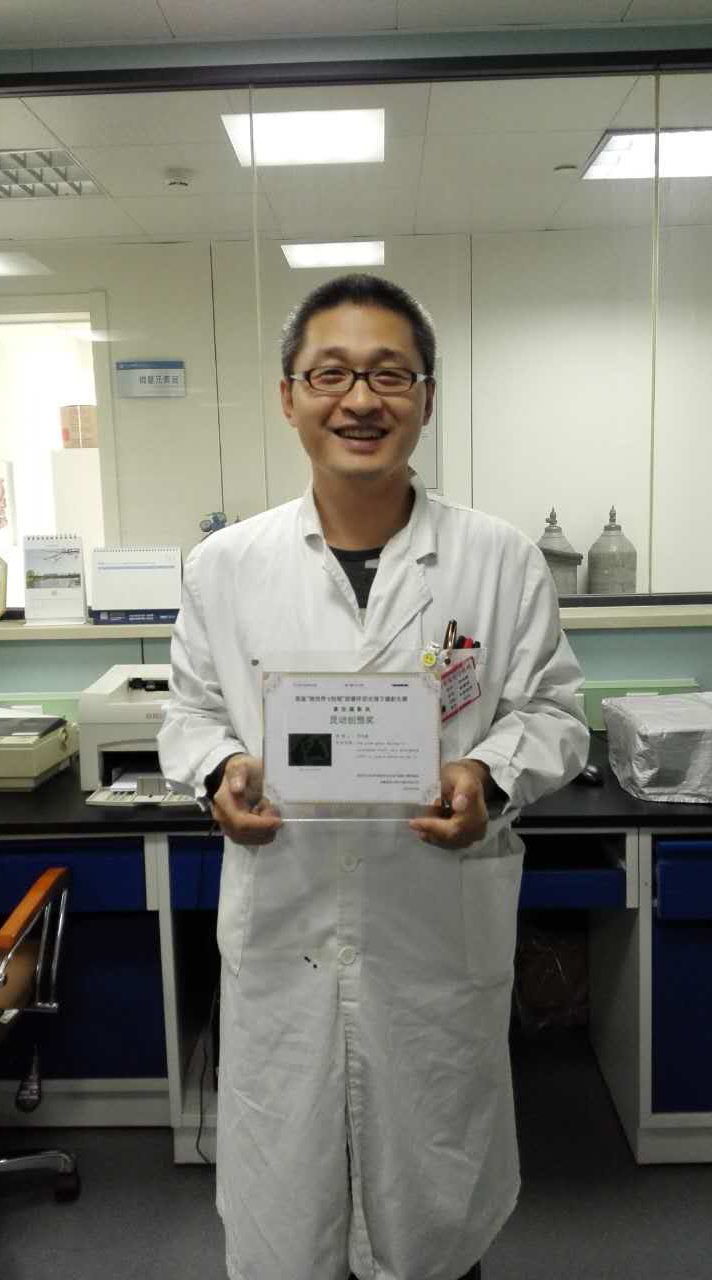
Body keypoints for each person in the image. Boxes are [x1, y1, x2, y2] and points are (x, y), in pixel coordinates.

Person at [158, 274, 589, 1280]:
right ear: (288, 396)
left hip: (429, 932)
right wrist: (220, 767)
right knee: (291, 1207)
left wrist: (485, 774)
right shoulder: (225, 565)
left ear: (426, 398)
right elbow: (188, 712)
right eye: (331, 374)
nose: (360, 399)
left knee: (430, 1213)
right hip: (287, 931)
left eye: (389, 374)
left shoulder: (497, 559)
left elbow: (553, 713)